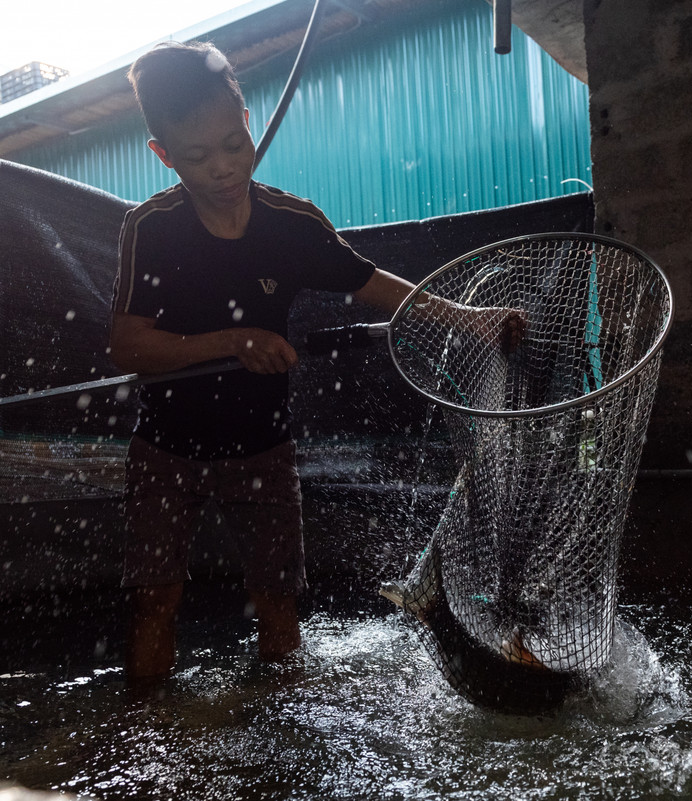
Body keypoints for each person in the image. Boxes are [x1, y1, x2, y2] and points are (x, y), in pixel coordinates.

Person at [108, 41, 518, 687]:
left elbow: (370, 281)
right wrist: (231, 341)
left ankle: (284, 741)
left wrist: (473, 321)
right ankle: (146, 733)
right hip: (166, 449)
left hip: (264, 447)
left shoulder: (292, 223)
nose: (222, 168)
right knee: (154, 599)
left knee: (277, 600)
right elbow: (128, 347)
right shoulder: (151, 228)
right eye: (196, 156)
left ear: (247, 120)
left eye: (232, 144)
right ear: (162, 154)